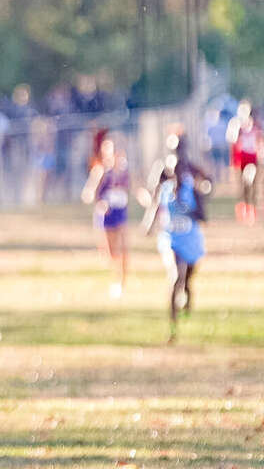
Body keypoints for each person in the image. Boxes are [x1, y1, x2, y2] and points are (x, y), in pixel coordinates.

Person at [141, 134, 210, 343]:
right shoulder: (164, 183)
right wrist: (148, 224)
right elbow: (155, 204)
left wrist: (189, 209)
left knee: (186, 278)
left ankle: (187, 293)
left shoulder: (192, 184)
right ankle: (173, 326)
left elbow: (204, 216)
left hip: (191, 239)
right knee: (175, 276)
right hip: (171, 238)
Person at [81, 135, 130, 298]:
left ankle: (121, 283)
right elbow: (88, 194)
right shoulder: (101, 171)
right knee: (111, 253)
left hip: (121, 213)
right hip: (106, 216)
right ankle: (116, 278)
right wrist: (101, 204)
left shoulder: (124, 172)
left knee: (124, 249)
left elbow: (135, 188)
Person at [226, 100, 259, 225]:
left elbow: (259, 140)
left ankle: (251, 209)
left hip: (252, 158)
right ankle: (243, 208)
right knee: (242, 185)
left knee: (251, 183)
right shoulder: (236, 124)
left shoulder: (255, 124)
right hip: (240, 159)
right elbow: (232, 140)